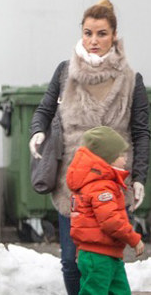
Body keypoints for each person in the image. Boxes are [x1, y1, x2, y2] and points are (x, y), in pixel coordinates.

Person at [29, 0, 149, 295]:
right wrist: (37, 132)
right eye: (88, 33)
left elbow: (142, 132)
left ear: (114, 36)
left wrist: (139, 178)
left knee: (109, 263)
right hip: (74, 184)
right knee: (72, 262)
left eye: (101, 33)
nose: (94, 41)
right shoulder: (64, 72)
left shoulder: (131, 80)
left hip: (114, 184)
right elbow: (44, 110)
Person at [67, 126, 145, 295]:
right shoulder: (101, 186)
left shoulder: (101, 183)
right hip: (99, 256)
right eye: (121, 155)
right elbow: (111, 222)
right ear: (107, 159)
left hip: (107, 253)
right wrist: (134, 239)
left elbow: (84, 221)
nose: (125, 159)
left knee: (120, 291)